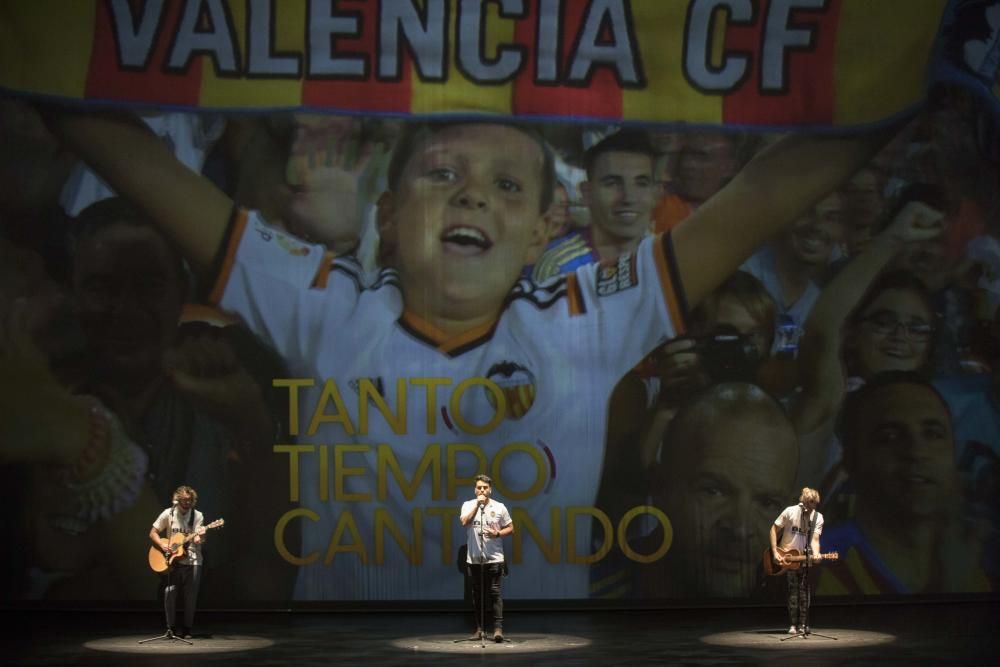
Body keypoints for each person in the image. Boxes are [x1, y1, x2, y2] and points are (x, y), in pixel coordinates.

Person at [44, 106, 895, 599]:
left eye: (507, 185)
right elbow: (146, 167)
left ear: (539, 236)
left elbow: (760, 198)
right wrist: (33, 59)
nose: (473, 194)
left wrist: (890, 90)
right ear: (386, 218)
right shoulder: (330, 309)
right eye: (442, 173)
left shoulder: (588, 318)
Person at [816, 372, 991, 595]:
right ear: (851, 461)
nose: (916, 452)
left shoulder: (982, 566)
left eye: (933, 434)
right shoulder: (816, 568)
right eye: (889, 437)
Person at [636, 383, 797, 599]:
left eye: (767, 503)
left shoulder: (796, 605)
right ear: (660, 489)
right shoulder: (592, 592)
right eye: (714, 491)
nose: (740, 529)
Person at [531, 129, 658, 280]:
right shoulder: (556, 267)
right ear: (587, 194)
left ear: (656, 194)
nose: (628, 198)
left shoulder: (670, 258)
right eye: (612, 183)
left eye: (641, 183)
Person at [459, 474, 514, 642]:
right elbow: (464, 522)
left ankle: (498, 629)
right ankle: (480, 629)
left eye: (485, 487)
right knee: (477, 595)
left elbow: (511, 528)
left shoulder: (500, 507)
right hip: (475, 559)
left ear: (490, 489)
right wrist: (477, 505)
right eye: (479, 487)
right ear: (475, 489)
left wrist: (497, 533)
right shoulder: (468, 505)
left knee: (495, 594)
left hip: (494, 558)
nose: (482, 490)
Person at [149, 485, 205, 639]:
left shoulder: (197, 516)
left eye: (190, 500)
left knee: (190, 597)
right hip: (173, 561)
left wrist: (199, 537)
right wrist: (162, 545)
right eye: (184, 500)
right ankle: (171, 629)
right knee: (169, 593)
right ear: (177, 500)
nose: (187, 503)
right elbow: (153, 532)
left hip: (193, 560)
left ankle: (187, 629)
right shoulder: (169, 514)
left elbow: (199, 538)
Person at [769, 487, 825, 635]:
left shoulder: (818, 517)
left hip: (804, 559)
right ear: (804, 501)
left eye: (815, 503)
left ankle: (803, 625)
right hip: (787, 558)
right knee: (792, 592)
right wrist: (775, 551)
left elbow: (815, 539)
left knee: (804, 593)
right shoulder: (790, 511)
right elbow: (774, 529)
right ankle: (793, 625)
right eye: (810, 502)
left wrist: (817, 553)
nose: (812, 506)